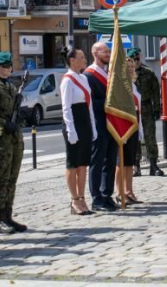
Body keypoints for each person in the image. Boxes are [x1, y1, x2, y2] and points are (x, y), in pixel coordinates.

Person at [0, 51, 28, 233]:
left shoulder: (11, 87)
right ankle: (0, 218)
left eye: (9, 66)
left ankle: (8, 215)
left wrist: (19, 117)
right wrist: (5, 123)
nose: (7, 69)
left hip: (14, 137)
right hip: (1, 137)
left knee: (12, 178)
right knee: (2, 178)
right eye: (3, 66)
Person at [61, 47, 97, 216]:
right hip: (73, 123)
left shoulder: (83, 78)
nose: (84, 59)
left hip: (84, 122)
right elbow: (66, 107)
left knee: (83, 163)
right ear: (72, 60)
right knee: (73, 163)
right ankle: (74, 199)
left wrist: (93, 126)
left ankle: (82, 198)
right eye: (81, 57)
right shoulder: (67, 80)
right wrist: (70, 129)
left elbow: (89, 105)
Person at [85, 41, 118, 212]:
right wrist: (108, 103)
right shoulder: (89, 75)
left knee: (110, 160)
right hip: (98, 124)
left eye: (108, 51)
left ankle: (107, 195)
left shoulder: (107, 74)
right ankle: (96, 198)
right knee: (97, 162)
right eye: (104, 51)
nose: (108, 54)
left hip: (111, 123)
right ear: (95, 53)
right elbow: (89, 102)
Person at [116, 56, 144, 205]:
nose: (131, 69)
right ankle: (120, 192)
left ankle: (129, 191)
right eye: (127, 67)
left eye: (132, 66)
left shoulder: (133, 85)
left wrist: (140, 129)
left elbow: (138, 108)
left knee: (130, 161)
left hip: (134, 124)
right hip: (123, 126)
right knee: (121, 162)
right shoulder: (120, 86)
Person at [133, 48, 165, 176]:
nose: (136, 62)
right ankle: (136, 165)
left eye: (137, 59)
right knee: (134, 138)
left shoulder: (148, 73)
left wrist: (157, 109)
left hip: (146, 108)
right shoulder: (126, 74)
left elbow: (155, 92)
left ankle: (153, 164)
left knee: (150, 137)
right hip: (132, 110)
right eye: (133, 59)